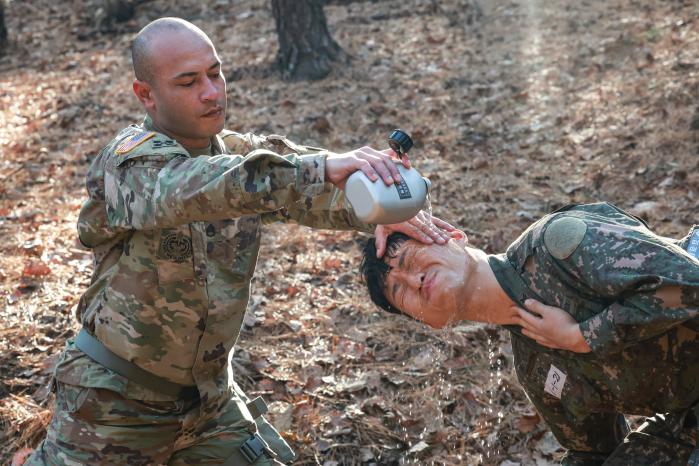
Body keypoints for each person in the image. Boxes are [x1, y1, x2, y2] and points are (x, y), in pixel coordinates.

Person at [25, 17, 455, 466]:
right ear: (146, 95)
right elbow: (200, 188)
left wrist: (380, 207)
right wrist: (320, 166)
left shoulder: (236, 156)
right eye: (188, 82)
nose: (212, 93)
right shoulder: (128, 164)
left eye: (215, 73)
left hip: (210, 404)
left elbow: (305, 185)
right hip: (112, 408)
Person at [360, 202, 699, 465]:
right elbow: (591, 453)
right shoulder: (535, 368)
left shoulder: (556, 246)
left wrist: (581, 336)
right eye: (400, 292)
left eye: (407, 260)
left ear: (454, 237)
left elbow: (690, 283)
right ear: (430, 323)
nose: (413, 281)